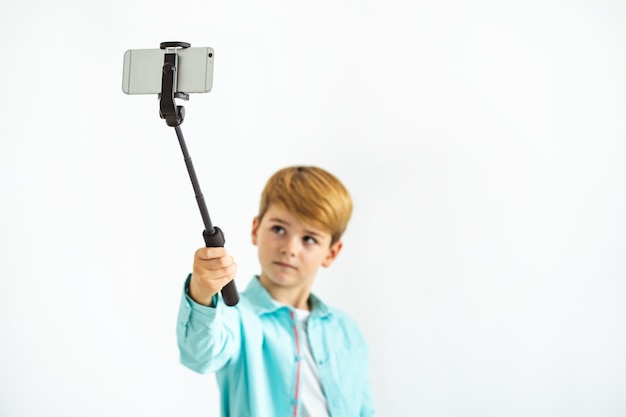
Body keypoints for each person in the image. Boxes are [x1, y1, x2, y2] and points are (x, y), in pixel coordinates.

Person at [176, 165, 375, 417]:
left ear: (331, 253)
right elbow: (200, 354)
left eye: (309, 239)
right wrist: (202, 291)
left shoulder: (347, 332)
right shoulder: (235, 320)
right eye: (279, 229)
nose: (290, 248)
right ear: (256, 229)